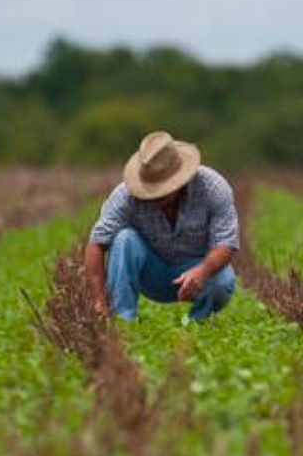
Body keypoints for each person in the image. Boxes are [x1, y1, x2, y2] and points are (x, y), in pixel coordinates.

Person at [85, 130, 239, 321]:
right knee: (125, 239)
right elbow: (96, 245)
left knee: (223, 281)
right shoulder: (125, 195)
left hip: (195, 268)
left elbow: (226, 243)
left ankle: (199, 325)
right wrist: (99, 301)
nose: (157, 195)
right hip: (152, 272)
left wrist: (202, 271)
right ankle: (122, 321)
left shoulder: (213, 187)